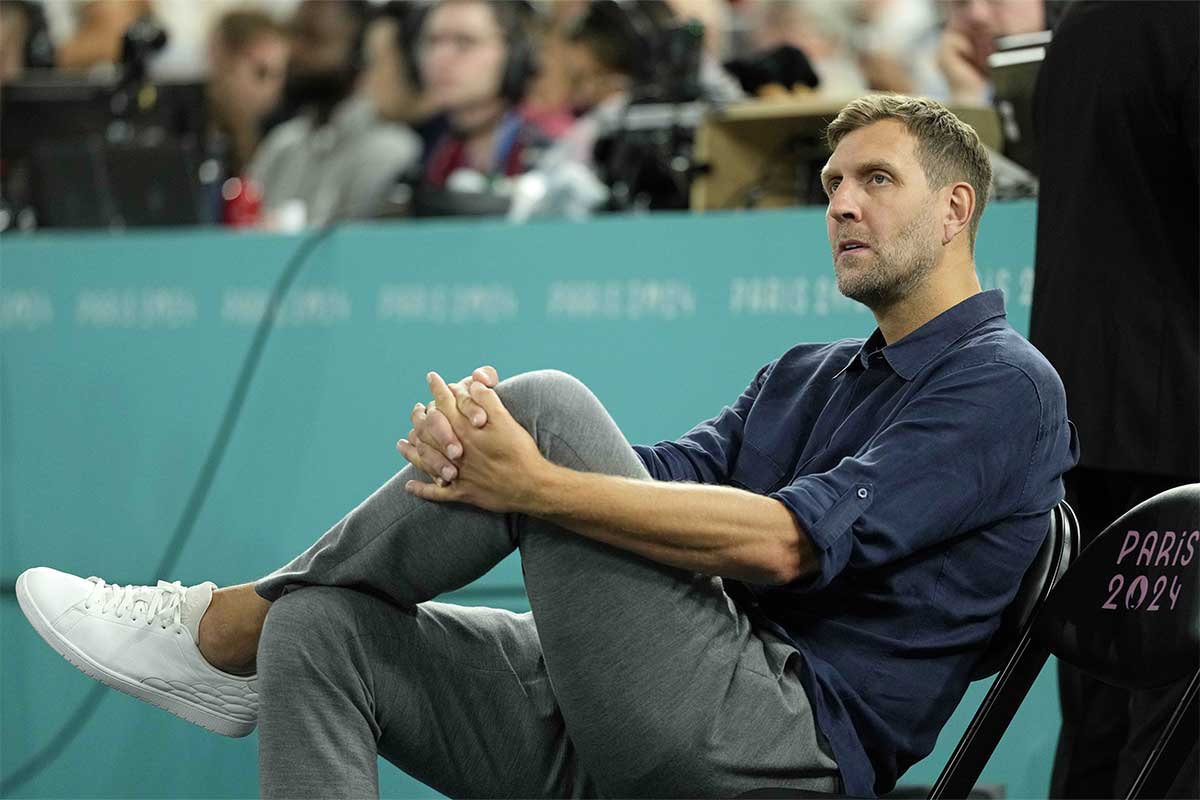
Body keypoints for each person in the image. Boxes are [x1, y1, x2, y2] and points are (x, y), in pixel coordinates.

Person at [15, 95, 1078, 798]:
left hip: (774, 738)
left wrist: (532, 469)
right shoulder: (806, 370)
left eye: (875, 180)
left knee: (548, 408)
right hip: (642, 701)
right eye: (831, 183)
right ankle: (257, 626)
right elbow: (645, 478)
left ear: (956, 209)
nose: (841, 201)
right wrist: (498, 460)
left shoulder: (1006, 387)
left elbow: (790, 545)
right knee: (321, 627)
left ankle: (220, 623)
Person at [1027, 2, 1199, 798]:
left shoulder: (1079, 24)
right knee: (1176, 717)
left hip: (1082, 415)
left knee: (1097, 700)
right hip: (1175, 426)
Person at [247, 0, 422, 228]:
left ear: (358, 54)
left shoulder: (390, 151)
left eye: (314, 38)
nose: (295, 51)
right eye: (293, 34)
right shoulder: (281, 145)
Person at [417, 0, 558, 189]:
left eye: (465, 42)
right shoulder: (437, 154)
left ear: (516, 56)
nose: (440, 57)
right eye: (432, 41)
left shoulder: (552, 148)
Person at [205, 9, 290, 179]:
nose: (272, 88)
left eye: (279, 76)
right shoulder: (188, 128)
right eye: (261, 73)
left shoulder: (278, 135)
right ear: (223, 59)